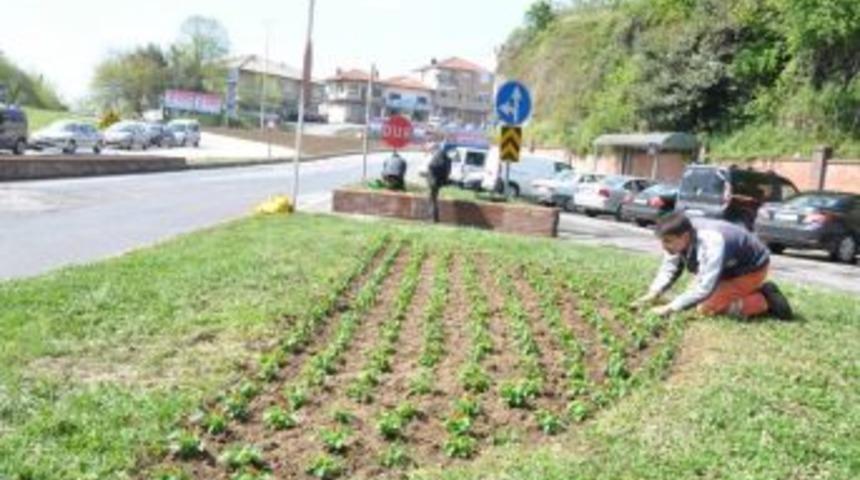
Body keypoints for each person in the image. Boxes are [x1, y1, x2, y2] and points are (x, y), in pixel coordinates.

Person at [632, 211, 793, 320]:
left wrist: (669, 309)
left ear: (685, 236)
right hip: (725, 269)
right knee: (691, 297)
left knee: (705, 308)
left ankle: (764, 301)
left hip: (750, 270)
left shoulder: (711, 241)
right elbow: (670, 267)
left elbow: (704, 288)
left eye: (668, 242)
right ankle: (742, 292)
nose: (664, 247)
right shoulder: (678, 232)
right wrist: (653, 293)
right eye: (662, 241)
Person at [426, 142, 454, 223]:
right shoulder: (442, 154)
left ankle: (433, 219)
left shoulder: (438, 154)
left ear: (434, 148)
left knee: (432, 199)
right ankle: (434, 218)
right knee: (433, 199)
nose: (429, 151)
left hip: (434, 181)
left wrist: (429, 169)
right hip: (437, 181)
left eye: (430, 149)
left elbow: (434, 165)